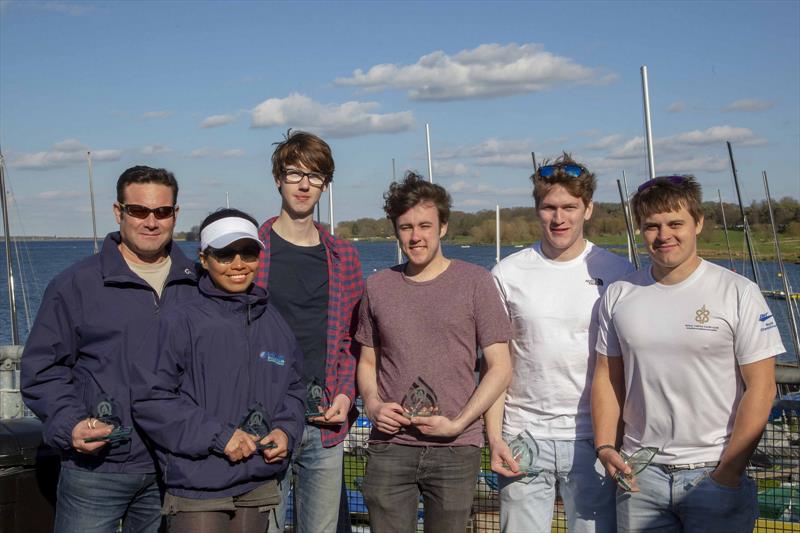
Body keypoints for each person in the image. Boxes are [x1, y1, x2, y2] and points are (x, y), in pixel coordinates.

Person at [592, 175, 785, 532]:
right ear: (640, 230)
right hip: (639, 475)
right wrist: (605, 446)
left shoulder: (738, 292)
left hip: (713, 473)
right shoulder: (619, 295)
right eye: (652, 226)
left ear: (698, 223)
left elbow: (762, 387)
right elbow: (606, 377)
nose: (664, 235)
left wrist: (728, 471)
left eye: (675, 223)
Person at [21, 166, 198, 532]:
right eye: (138, 211)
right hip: (96, 468)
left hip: (174, 467)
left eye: (162, 212)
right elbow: (43, 370)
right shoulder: (75, 284)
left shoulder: (198, 283)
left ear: (175, 215)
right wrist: (71, 425)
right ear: (119, 212)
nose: (151, 221)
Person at [131, 208, 305, 532]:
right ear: (204, 258)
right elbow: (151, 399)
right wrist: (219, 437)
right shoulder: (179, 320)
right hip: (198, 484)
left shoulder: (274, 322)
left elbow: (294, 388)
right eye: (225, 254)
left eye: (248, 252)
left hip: (257, 479)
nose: (238, 264)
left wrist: (286, 430)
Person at [356, 172, 512, 533]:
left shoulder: (476, 282)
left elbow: (500, 367)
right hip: (390, 445)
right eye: (406, 227)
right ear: (395, 230)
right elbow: (367, 361)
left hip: (456, 447)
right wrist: (374, 406)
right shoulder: (377, 286)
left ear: (443, 227)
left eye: (425, 225)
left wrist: (461, 423)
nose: (415, 236)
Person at [487, 155, 633, 533]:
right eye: (549, 207)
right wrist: (494, 437)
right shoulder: (507, 273)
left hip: (595, 440)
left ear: (588, 209)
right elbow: (495, 365)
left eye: (569, 207)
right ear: (537, 210)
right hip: (523, 436)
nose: (559, 218)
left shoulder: (618, 273)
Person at [255, 130, 364, 533]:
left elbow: (355, 340)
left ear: (325, 184)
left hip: (324, 419)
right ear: (277, 179)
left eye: (314, 176)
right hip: (264, 416)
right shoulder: (253, 250)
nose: (304, 184)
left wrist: (345, 393)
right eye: (294, 173)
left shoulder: (344, 256)